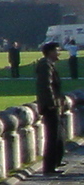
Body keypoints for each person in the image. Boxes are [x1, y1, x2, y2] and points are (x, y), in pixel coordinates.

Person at [34, 41, 68, 175]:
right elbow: (45, 86)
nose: (58, 53)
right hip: (50, 107)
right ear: (50, 52)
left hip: (54, 105)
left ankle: (55, 161)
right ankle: (49, 167)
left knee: (59, 136)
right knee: (52, 137)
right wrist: (51, 104)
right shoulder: (45, 65)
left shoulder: (48, 65)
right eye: (56, 51)